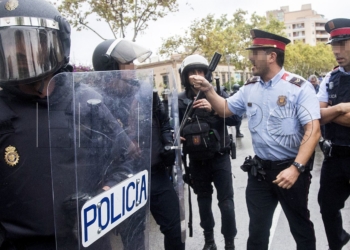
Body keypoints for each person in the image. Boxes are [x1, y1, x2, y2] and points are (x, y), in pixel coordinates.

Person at [0, 1, 136, 249]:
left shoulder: (88, 102)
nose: (20, 54)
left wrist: (103, 195)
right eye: (9, 44)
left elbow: (124, 162)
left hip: (88, 238)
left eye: (30, 43)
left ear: (56, 44)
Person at [190, 30, 321, 250]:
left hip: (291, 171)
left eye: (255, 53)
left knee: (300, 228)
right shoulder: (250, 87)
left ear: (271, 56)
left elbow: (313, 130)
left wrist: (296, 168)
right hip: (260, 173)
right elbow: (224, 109)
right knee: (257, 232)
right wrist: (209, 90)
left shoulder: (298, 87)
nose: (250, 57)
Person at [92, 39, 185, 250]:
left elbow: (164, 124)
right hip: (125, 179)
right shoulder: (98, 101)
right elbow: (97, 147)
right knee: (134, 238)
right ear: (111, 68)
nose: (134, 67)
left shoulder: (145, 93)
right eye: (128, 63)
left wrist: (168, 143)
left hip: (156, 173)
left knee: (174, 227)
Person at [179, 54, 238, 250]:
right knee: (203, 201)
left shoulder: (218, 94)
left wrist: (214, 108)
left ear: (207, 74)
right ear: (185, 76)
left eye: (200, 72)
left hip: (220, 157)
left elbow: (234, 120)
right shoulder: (180, 100)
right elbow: (170, 127)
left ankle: (229, 243)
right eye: (192, 73)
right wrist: (175, 135)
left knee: (226, 203)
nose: (196, 76)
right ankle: (209, 241)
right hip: (197, 161)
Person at [317, 18, 350, 250]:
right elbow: (315, 114)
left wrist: (328, 111)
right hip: (335, 155)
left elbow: (322, 112)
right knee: (327, 205)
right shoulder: (330, 78)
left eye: (343, 44)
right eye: (334, 46)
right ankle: (336, 243)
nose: (337, 51)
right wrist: (340, 108)